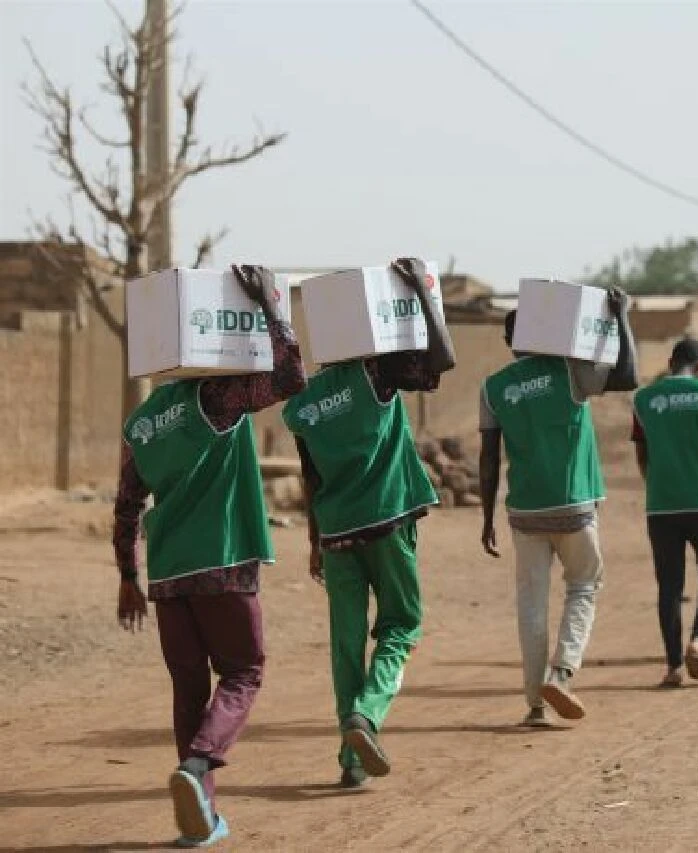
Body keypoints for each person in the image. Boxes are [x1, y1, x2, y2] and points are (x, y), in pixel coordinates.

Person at [113, 264, 304, 848]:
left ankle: (200, 819)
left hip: (169, 574)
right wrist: (270, 304)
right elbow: (291, 375)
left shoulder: (141, 421)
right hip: (223, 560)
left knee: (188, 691)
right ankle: (197, 770)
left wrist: (129, 576)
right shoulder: (217, 396)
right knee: (244, 672)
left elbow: (126, 505)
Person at [283, 257, 455, 788]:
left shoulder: (303, 403)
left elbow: (311, 478)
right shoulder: (377, 373)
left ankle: (351, 761)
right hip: (387, 520)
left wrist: (314, 543)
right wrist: (421, 293)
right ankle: (368, 716)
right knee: (402, 625)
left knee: (346, 644)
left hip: (335, 533)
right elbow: (439, 361)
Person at [478, 290, 637, 727]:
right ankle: (562, 672)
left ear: (509, 341)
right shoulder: (570, 371)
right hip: (574, 505)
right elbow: (627, 375)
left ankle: (534, 704)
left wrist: (487, 516)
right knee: (584, 585)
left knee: (531, 604)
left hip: (523, 511)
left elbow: (489, 457)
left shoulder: (494, 387)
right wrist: (621, 317)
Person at [631, 337, 698, 687]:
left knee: (669, 586)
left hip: (661, 505)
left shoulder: (643, 399)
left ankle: (674, 666)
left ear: (670, 361)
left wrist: (659, 481)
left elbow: (642, 457)